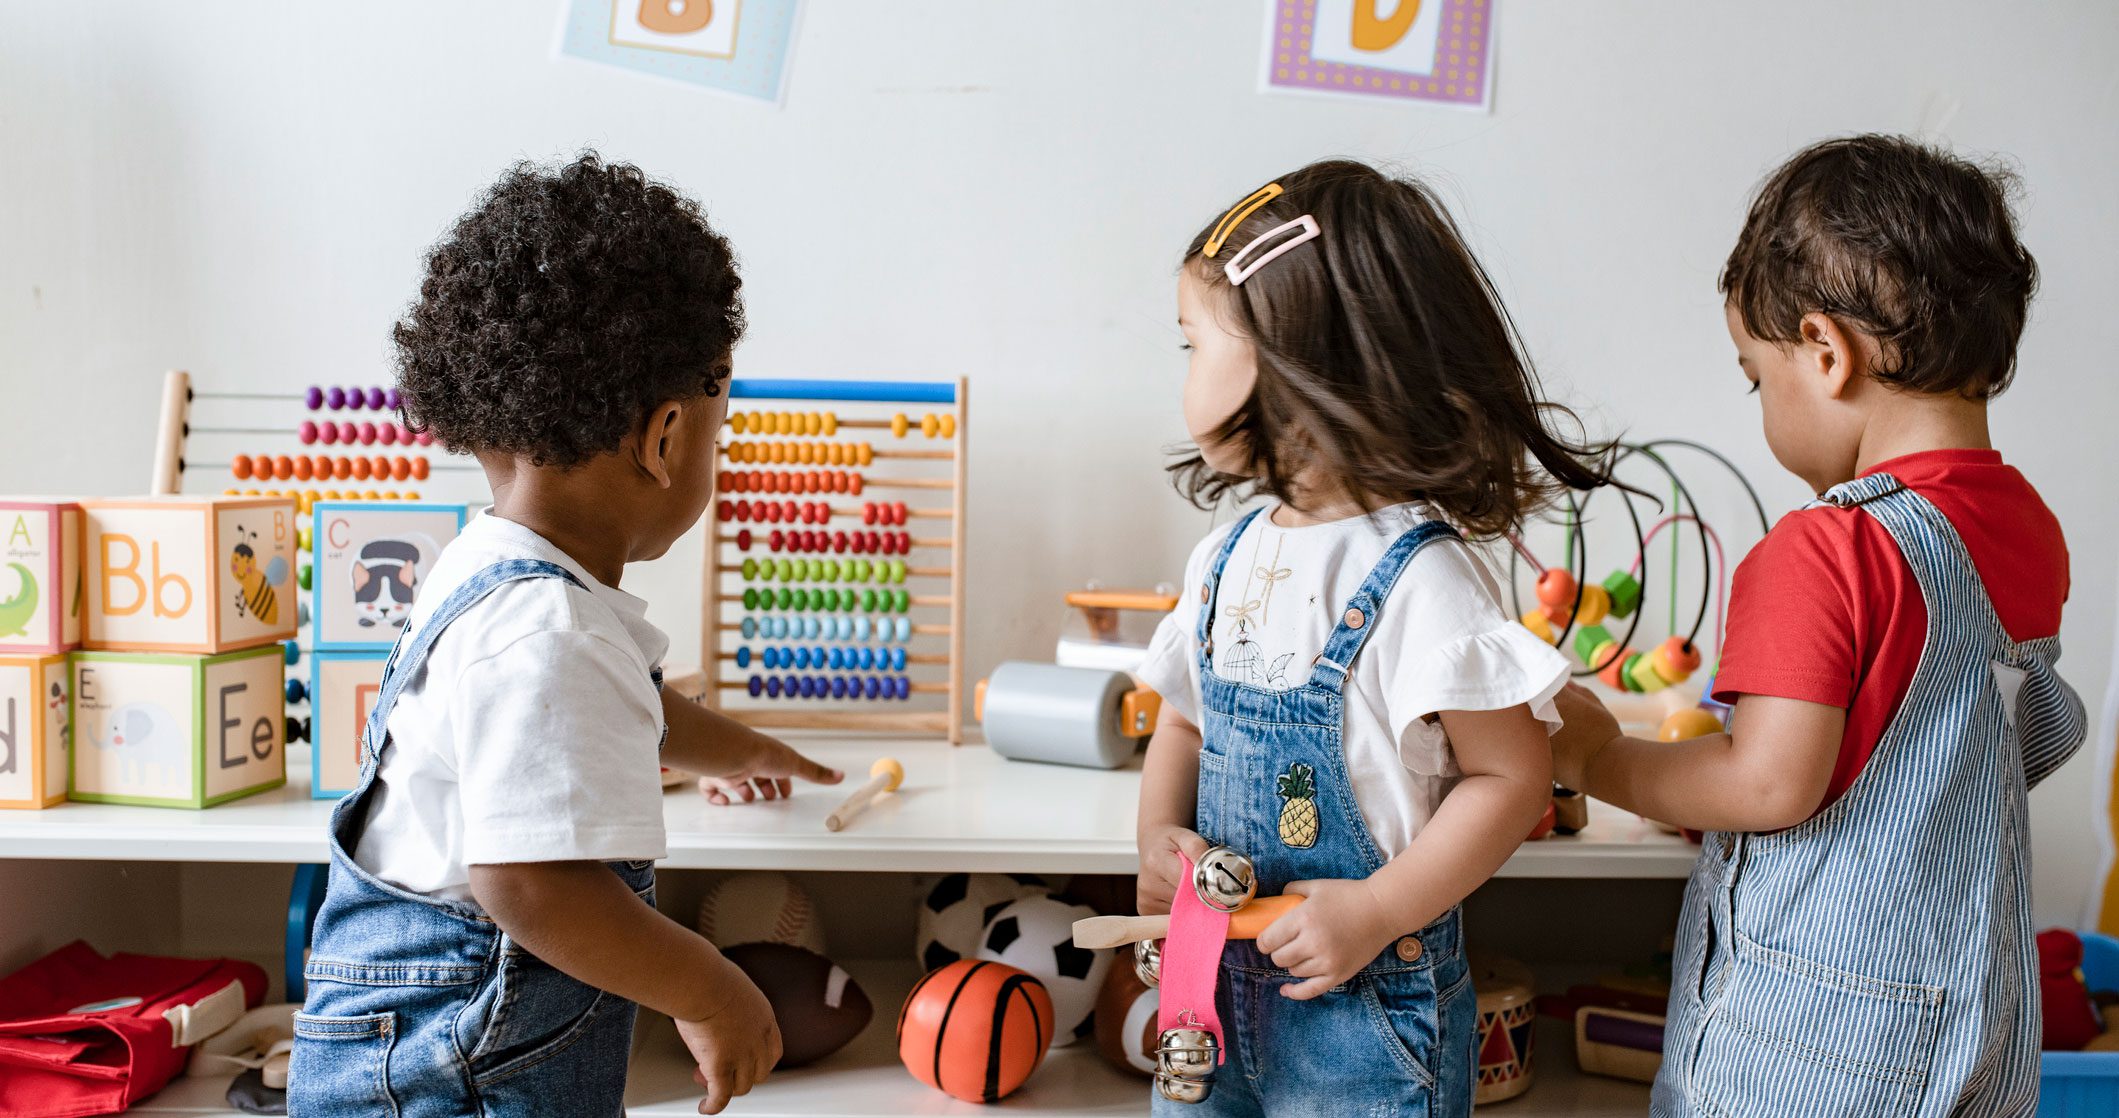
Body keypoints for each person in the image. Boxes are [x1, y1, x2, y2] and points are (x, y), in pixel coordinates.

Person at [290, 153, 843, 1118]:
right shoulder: (551, 632)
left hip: (414, 1039)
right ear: (666, 438)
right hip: (451, 1072)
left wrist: (743, 748)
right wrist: (712, 990)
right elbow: (533, 889)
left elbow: (629, 710)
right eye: (715, 434)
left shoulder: (494, 574)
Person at [1552, 135, 2088, 1117]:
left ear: (1825, 352)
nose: (1761, 403)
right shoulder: (2027, 532)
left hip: (1820, 1043)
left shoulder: (1824, 547)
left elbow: (1762, 781)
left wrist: (1596, 756)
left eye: (1757, 375)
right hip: (1982, 1017)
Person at [1134, 160, 1603, 1116]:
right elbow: (1183, 725)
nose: (1182, 369)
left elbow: (1510, 781)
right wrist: (1153, 840)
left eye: (1191, 343)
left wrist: (1379, 910)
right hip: (1209, 991)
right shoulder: (1221, 558)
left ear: (1287, 358)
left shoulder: (1419, 576)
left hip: (1364, 1018)